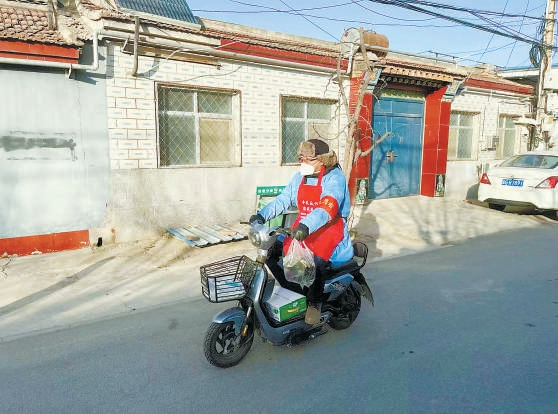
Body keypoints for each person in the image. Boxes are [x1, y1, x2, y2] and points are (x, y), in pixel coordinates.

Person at [249, 139, 353, 325]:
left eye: (309, 159)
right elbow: (284, 199)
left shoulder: (334, 178)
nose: (303, 162)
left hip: (329, 228)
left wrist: (306, 226)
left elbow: (327, 206)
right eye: (301, 158)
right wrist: (261, 216)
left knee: (317, 259)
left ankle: (314, 303)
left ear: (323, 159)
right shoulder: (300, 177)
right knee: (272, 250)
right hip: (302, 227)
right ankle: (293, 290)